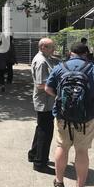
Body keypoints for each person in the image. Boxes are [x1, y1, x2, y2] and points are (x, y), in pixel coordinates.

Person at [46, 43, 94, 187]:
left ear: (70, 52)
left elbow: (47, 88)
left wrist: (60, 98)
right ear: (86, 54)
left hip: (62, 117)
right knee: (82, 151)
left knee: (62, 147)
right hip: (86, 118)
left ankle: (59, 183)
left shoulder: (60, 67)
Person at [28, 38, 58, 175]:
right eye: (52, 47)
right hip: (45, 102)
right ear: (43, 47)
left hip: (45, 101)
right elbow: (41, 84)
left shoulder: (45, 58)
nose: (54, 49)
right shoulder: (41, 61)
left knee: (41, 128)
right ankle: (40, 163)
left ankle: (34, 154)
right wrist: (57, 94)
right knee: (45, 132)